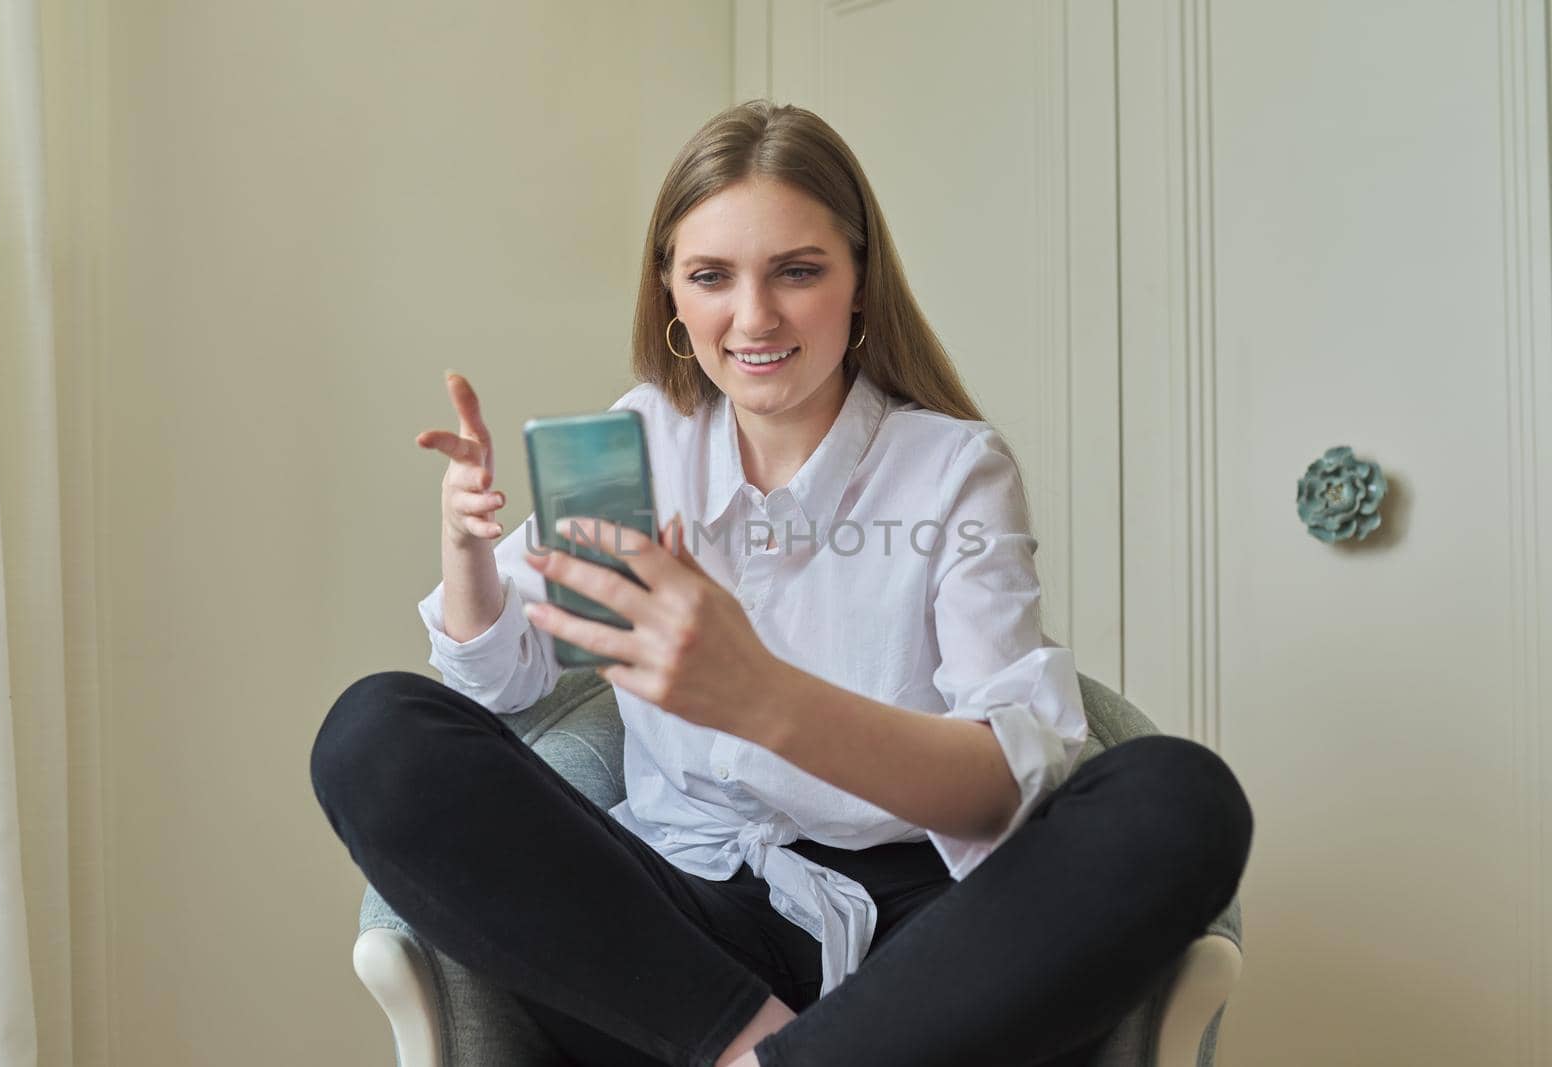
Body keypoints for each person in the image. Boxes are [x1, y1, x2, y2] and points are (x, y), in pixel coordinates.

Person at [310, 100, 1253, 1067]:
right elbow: (496, 684)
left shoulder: (954, 469)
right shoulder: (642, 441)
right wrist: (468, 547)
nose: (752, 317)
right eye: (711, 276)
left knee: (1182, 799)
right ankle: (750, 1050)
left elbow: (1007, 788)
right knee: (375, 733)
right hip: (676, 950)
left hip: (919, 953)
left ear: (858, 282)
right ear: (671, 292)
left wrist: (759, 694)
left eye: (797, 272)